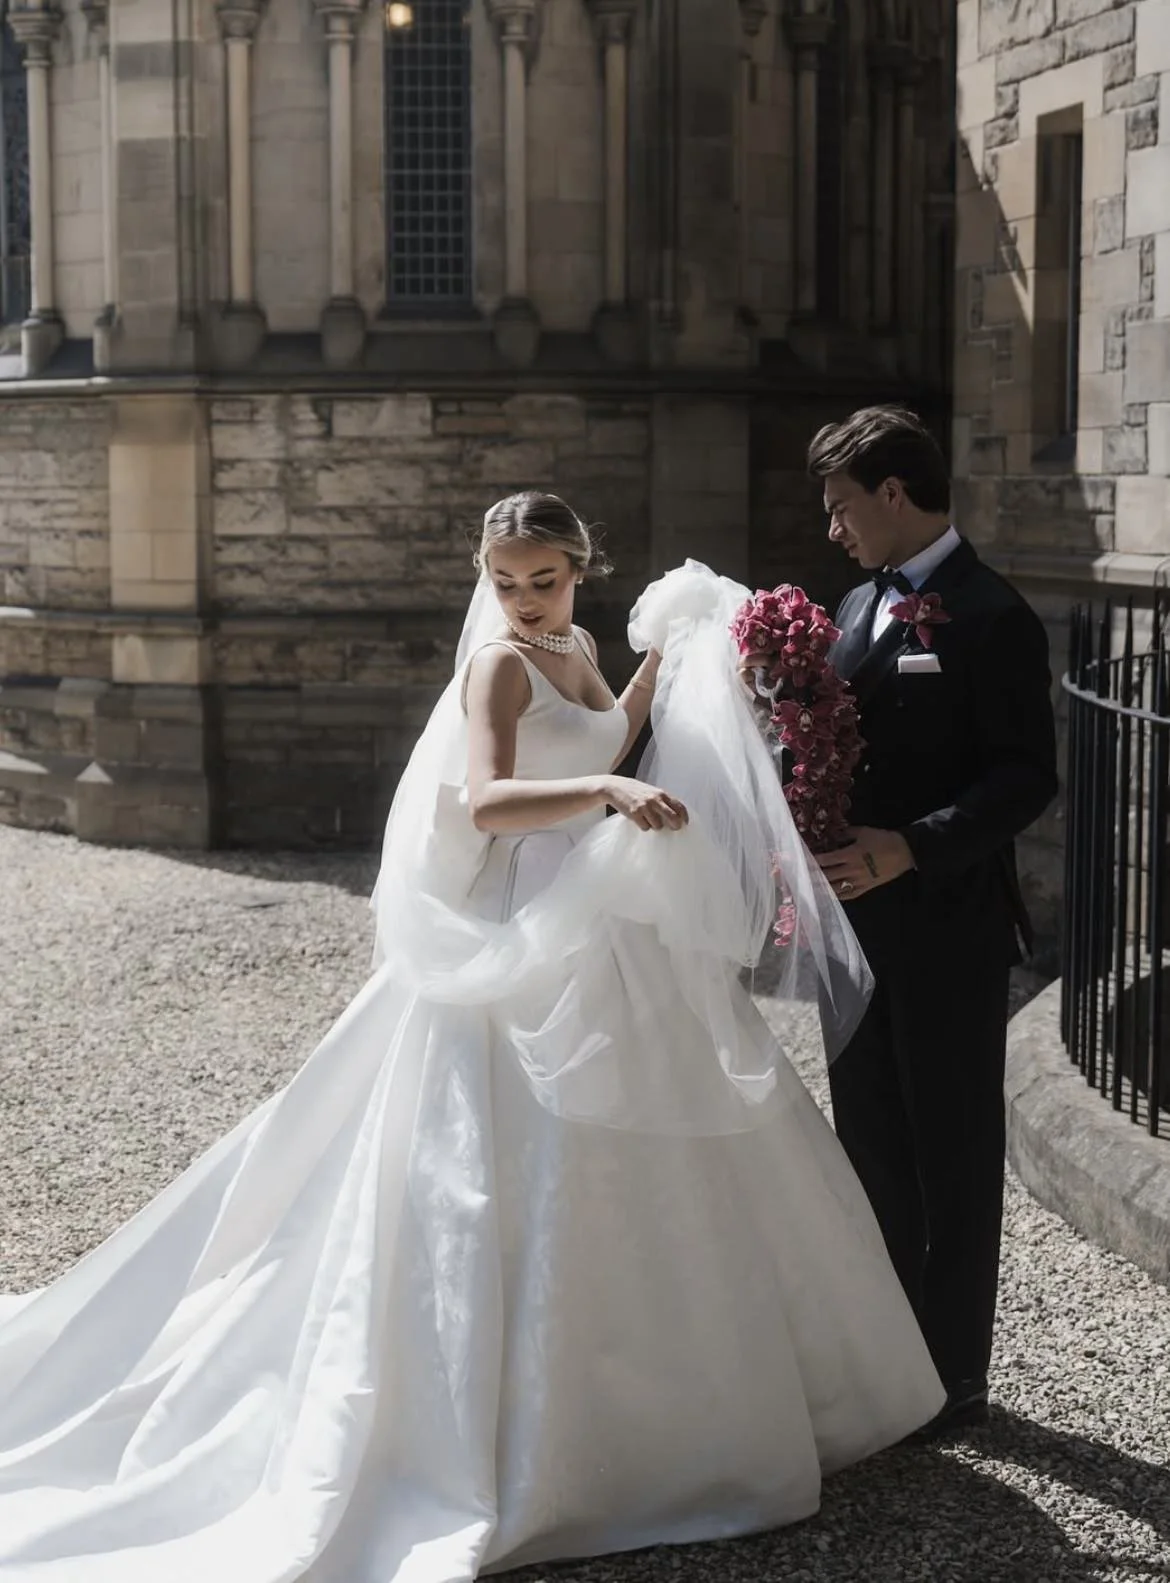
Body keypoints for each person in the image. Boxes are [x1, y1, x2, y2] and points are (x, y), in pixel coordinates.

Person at [0, 491, 944, 1583]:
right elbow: (490, 798)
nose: (524, 598)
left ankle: (681, 1403)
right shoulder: (496, 663)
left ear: (580, 569)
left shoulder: (577, 642)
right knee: (497, 1166)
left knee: (669, 1137)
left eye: (542, 577)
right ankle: (529, 1435)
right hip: (527, 925)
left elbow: (614, 719)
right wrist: (603, 784)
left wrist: (684, 650)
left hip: (602, 913)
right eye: (505, 580)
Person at [808, 408, 1058, 1437]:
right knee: (867, 1142)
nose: (833, 530)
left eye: (841, 507)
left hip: (947, 925)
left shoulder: (993, 613)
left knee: (951, 1150)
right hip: (852, 932)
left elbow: (1026, 777)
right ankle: (887, 1358)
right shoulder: (856, 603)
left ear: (895, 495)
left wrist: (913, 843)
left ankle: (953, 1375)